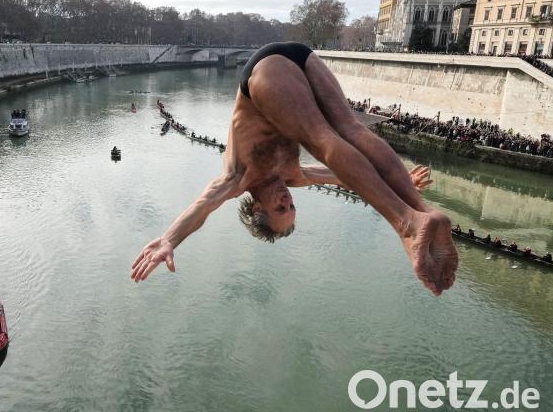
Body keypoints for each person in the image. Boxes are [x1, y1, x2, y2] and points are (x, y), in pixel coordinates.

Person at [132, 41, 457, 295]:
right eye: (291, 207)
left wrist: (169, 239)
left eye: (280, 208)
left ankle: (407, 224)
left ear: (257, 208)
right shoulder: (294, 176)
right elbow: (347, 178)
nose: (288, 200)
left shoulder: (238, 178)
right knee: (351, 129)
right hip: (303, 57)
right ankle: (422, 211)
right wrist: (403, 183)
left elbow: (203, 206)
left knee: (322, 139)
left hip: (264, 72)